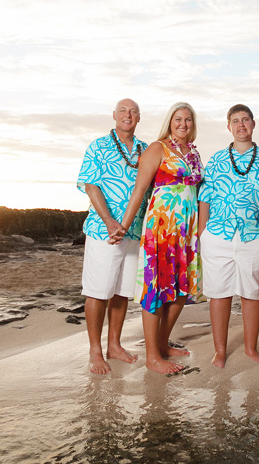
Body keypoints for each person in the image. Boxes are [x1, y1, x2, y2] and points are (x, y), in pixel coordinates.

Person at [120, 102, 204, 374]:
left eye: (188, 120)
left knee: (181, 288)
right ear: (170, 122)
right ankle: (152, 358)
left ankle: (161, 343)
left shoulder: (193, 153)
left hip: (187, 231)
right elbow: (139, 190)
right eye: (178, 119)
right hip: (162, 228)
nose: (183, 124)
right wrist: (124, 225)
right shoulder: (158, 148)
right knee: (156, 289)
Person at [198, 104, 259, 368]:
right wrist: (202, 234)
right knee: (218, 294)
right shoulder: (217, 159)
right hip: (217, 235)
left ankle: (250, 348)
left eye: (245, 120)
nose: (241, 125)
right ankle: (220, 351)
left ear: (253, 124)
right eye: (235, 121)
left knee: (252, 293)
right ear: (228, 126)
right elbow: (205, 197)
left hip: (253, 236)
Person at [76, 98, 147, 375]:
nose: (128, 115)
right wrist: (109, 221)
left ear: (139, 118)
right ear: (114, 116)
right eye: (123, 111)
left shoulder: (144, 149)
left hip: (134, 230)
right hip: (103, 231)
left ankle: (114, 345)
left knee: (121, 291)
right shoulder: (98, 146)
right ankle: (95, 351)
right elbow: (90, 185)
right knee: (98, 291)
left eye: (133, 112)